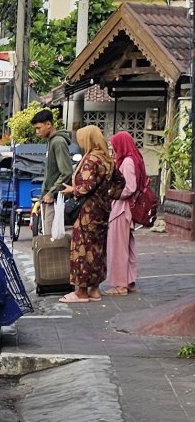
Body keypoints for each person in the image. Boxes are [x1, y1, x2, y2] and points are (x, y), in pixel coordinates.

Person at [58, 126, 117, 303]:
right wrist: (106, 197)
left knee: (82, 250)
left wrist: (72, 190)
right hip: (102, 212)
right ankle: (95, 289)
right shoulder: (107, 159)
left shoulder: (91, 160)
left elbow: (87, 186)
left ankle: (81, 292)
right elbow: (119, 183)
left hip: (87, 212)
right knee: (97, 250)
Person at [106, 131, 145, 295]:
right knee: (127, 247)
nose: (113, 150)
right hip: (127, 209)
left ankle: (120, 285)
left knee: (118, 247)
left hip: (122, 209)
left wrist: (111, 193)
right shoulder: (135, 159)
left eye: (114, 146)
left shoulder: (128, 162)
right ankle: (129, 281)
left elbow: (129, 187)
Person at [32, 108, 73, 236]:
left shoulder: (58, 142)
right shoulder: (51, 142)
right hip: (49, 199)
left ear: (48, 125)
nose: (37, 132)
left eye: (39, 128)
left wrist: (52, 193)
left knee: (52, 240)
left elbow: (66, 172)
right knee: (48, 236)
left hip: (55, 200)